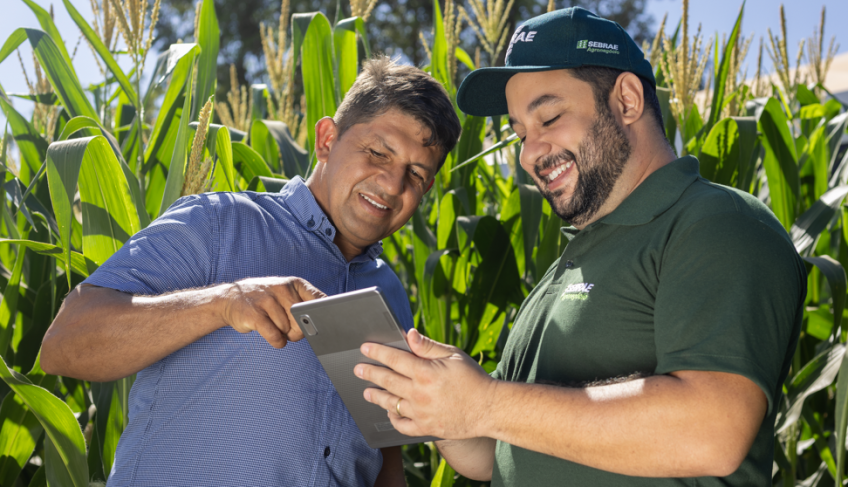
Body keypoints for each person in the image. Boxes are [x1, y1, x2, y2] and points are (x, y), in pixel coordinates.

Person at [354, 8, 806, 487]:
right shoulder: (567, 265)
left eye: (548, 117)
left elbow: (712, 432)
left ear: (627, 100)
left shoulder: (715, 224)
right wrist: (440, 404)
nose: (528, 153)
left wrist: (485, 402)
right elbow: (495, 451)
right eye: (520, 134)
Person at [41, 56, 461, 486]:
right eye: (377, 152)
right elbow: (64, 343)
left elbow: (384, 459)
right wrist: (221, 302)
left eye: (416, 175)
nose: (392, 185)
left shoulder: (387, 291)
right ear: (327, 139)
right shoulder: (219, 223)